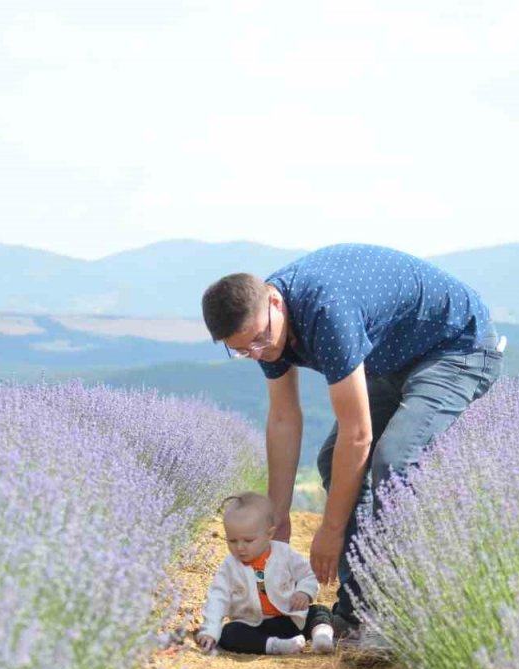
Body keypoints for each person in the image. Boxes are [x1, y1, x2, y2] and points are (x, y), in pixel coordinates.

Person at [201, 243, 503, 644]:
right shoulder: (266, 326)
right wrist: (279, 515)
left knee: (395, 462)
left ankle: (397, 618)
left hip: (456, 347)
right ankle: (359, 613)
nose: (258, 352)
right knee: (332, 460)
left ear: (275, 300)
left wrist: (331, 527)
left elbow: (358, 435)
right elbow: (284, 418)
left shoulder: (327, 311)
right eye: (242, 351)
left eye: (259, 340)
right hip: (392, 359)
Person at [196, 492, 336, 655]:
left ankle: (321, 637)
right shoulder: (229, 566)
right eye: (232, 541)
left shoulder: (284, 554)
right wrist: (210, 630)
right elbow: (217, 598)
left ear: (269, 534)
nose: (240, 547)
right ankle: (277, 646)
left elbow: (307, 574)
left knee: (320, 612)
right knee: (229, 633)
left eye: (248, 541)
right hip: (254, 625)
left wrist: (304, 592)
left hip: (290, 618)